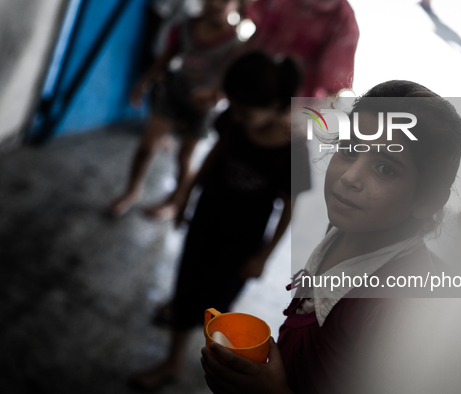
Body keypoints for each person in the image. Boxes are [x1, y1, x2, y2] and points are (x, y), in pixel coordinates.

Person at [200, 80, 461, 393]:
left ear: (428, 200)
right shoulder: (346, 226)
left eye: (385, 169)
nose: (349, 177)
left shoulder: (397, 310)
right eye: (350, 149)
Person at [129, 51, 311, 390]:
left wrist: (263, 257)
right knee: (184, 293)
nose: (237, 118)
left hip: (242, 244)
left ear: (274, 105)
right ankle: (171, 363)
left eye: (245, 112)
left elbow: (290, 208)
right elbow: (215, 153)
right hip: (205, 222)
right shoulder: (233, 120)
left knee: (217, 310)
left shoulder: (293, 150)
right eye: (235, 109)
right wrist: (186, 193)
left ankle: (222, 373)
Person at [109, 0, 242, 219]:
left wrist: (214, 94)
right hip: (175, 92)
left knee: (184, 157)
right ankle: (132, 190)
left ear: (236, 5)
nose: (217, 4)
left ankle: (176, 202)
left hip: (204, 106)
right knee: (146, 145)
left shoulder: (235, 42)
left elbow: (230, 80)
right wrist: (145, 82)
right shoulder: (187, 26)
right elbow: (168, 55)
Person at [245, 0, 359, 97]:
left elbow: (332, 91)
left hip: (290, 110)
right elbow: (256, 34)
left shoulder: (343, 21)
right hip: (246, 87)